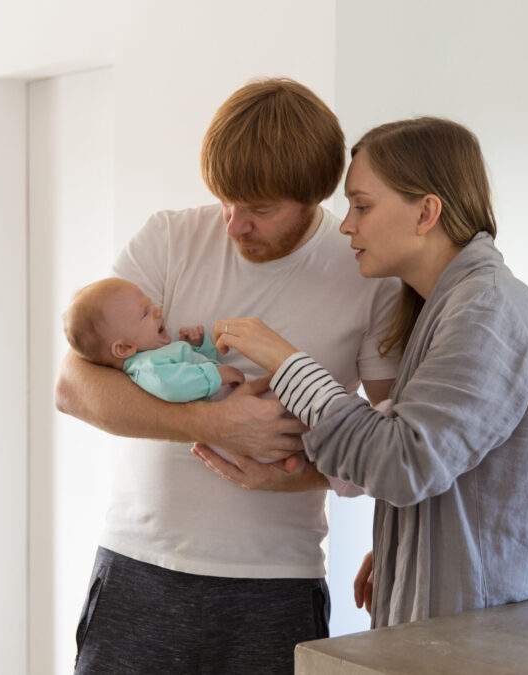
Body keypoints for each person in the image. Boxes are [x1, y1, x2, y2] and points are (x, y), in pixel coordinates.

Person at [54, 78, 400, 673]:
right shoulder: (168, 238)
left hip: (275, 584)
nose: (234, 225)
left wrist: (290, 480)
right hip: (138, 567)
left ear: (314, 196)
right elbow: (74, 388)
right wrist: (217, 422)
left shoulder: (366, 275)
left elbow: (396, 444)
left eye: (260, 210)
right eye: (225, 201)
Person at [197, 116, 528, 629]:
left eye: (362, 205)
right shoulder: (451, 307)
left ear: (427, 212)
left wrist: (289, 364)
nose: (345, 224)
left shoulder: (485, 312)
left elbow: (405, 462)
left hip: (493, 641)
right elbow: (442, 458)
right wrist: (403, 545)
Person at [63, 277, 245, 402]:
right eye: (145, 313)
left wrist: (195, 348)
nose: (157, 310)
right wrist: (217, 375)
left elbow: (195, 369)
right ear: (125, 348)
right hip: (228, 408)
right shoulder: (148, 367)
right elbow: (174, 387)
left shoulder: (155, 354)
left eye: (150, 303)